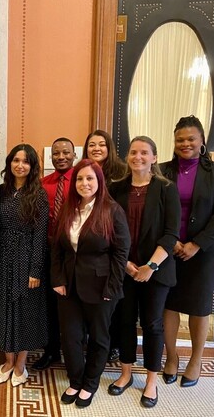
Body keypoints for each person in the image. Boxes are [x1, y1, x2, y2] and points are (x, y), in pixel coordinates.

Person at [160, 115, 214, 387]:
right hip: (170, 248)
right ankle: (171, 357)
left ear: (202, 141)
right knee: (169, 304)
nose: (185, 143)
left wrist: (197, 243)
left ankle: (196, 360)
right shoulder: (163, 171)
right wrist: (173, 241)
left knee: (199, 307)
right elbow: (157, 210)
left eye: (191, 138)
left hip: (204, 251)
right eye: (180, 139)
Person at [108, 136, 180, 408]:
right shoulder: (117, 189)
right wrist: (126, 263)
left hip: (156, 270)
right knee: (124, 321)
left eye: (144, 153)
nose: (138, 157)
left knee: (152, 324)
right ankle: (125, 373)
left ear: (154, 157)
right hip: (124, 267)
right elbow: (110, 229)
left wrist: (150, 266)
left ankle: (150, 380)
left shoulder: (166, 189)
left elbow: (171, 234)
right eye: (133, 152)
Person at [52, 159, 130, 408]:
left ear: (99, 181)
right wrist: (58, 279)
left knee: (98, 337)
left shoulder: (111, 209)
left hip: (101, 286)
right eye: (79, 179)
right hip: (68, 285)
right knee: (71, 337)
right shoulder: (68, 208)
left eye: (89, 178)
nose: (84, 183)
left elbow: (121, 252)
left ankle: (90, 383)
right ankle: (76, 380)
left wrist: (113, 287)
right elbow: (57, 248)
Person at [0, 144, 49, 386]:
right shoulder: (0, 191)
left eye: (26, 161)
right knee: (3, 307)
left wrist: (35, 270)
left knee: (24, 310)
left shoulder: (39, 194)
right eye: (16, 160)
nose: (20, 165)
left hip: (27, 257)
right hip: (3, 257)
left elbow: (40, 235)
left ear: (32, 166)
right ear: (9, 163)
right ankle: (8, 360)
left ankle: (21, 363)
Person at [82, 129, 127, 363]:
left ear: (109, 148)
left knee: (113, 302)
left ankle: (113, 346)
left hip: (115, 245)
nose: (96, 148)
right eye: (91, 144)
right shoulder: (82, 172)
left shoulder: (120, 174)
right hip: (91, 248)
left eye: (101, 144)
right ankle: (94, 347)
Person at [33, 137, 76, 371]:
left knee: (70, 304)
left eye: (66, 152)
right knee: (48, 305)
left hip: (72, 253)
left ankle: (74, 352)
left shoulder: (82, 181)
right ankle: (51, 351)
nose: (61, 157)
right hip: (47, 251)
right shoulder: (42, 184)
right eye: (56, 153)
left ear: (74, 155)